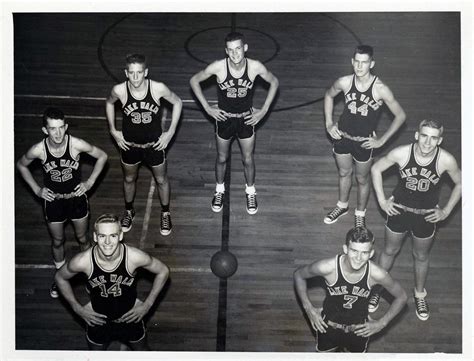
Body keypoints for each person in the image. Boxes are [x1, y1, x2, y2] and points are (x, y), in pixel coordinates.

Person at [369, 119, 461, 321]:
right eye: (424, 136)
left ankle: (419, 294)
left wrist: (445, 211)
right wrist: (383, 201)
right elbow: (376, 169)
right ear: (417, 135)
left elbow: (461, 183)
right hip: (399, 211)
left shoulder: (446, 160)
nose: (428, 143)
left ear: (439, 141)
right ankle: (376, 289)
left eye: (434, 138)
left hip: (426, 215)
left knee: (421, 256)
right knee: (389, 251)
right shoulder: (401, 153)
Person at [16, 107, 108, 298]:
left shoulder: (75, 144)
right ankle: (60, 277)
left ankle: (91, 276)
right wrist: (37, 190)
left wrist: (90, 182)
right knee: (58, 241)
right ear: (45, 130)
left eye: (60, 128)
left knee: (83, 239)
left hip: (76, 200)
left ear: (66, 127)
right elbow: (21, 165)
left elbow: (102, 156)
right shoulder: (39, 150)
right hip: (54, 201)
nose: (57, 133)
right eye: (52, 128)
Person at [190, 32, 279, 214]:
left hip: (246, 118)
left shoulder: (254, 67)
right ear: (226, 51)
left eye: (238, 49)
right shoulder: (218, 67)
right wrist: (207, 108)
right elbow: (194, 81)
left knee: (248, 159)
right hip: (225, 119)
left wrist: (263, 111)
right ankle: (219, 190)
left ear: (245, 48)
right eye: (230, 50)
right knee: (222, 158)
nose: (235, 54)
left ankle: (251, 191)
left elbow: (274, 82)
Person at [55, 213, 170, 350]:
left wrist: (148, 304)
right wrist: (77, 308)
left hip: (130, 317)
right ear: (95, 237)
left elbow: (163, 270)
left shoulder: (134, 257)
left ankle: (125, 345)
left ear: (120, 236)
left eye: (113, 236)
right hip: (98, 319)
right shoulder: (83, 261)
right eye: (102, 236)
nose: (107, 242)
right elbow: (60, 277)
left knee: (142, 353)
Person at [323, 45, 406, 227]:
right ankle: (342, 205)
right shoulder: (344, 82)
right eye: (357, 62)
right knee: (344, 173)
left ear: (372, 64)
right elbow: (328, 96)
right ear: (352, 62)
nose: (360, 67)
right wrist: (329, 123)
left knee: (362, 179)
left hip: (364, 142)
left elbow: (401, 116)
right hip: (342, 137)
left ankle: (360, 213)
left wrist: (382, 140)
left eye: (364, 63)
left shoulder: (380, 89)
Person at [294, 227, 407, 353]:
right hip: (328, 326)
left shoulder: (377, 274)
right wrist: (308, 308)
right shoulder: (327, 267)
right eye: (354, 251)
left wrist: (382, 323)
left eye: (364, 253)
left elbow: (402, 296)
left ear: (371, 254)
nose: (358, 258)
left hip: (359, 330)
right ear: (345, 249)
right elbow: (299, 275)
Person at [105, 53, 182, 235]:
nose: (136, 77)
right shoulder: (120, 90)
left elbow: (177, 102)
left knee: (161, 180)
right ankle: (129, 210)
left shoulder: (158, 88)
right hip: (130, 146)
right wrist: (113, 130)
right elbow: (109, 104)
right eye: (132, 73)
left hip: (154, 145)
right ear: (126, 73)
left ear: (145, 72)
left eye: (139, 73)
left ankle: (165, 213)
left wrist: (170, 133)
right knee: (129, 179)